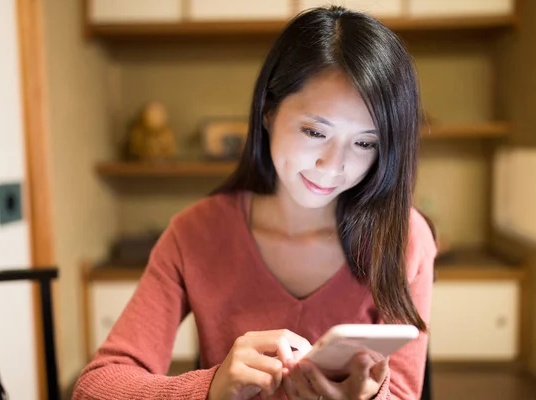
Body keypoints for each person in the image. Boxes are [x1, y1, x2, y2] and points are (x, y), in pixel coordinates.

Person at [73, 5, 436, 400]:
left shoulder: (405, 237)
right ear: (268, 112)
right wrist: (209, 388)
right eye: (315, 131)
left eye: (365, 142)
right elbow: (95, 387)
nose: (333, 166)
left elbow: (402, 392)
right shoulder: (196, 234)